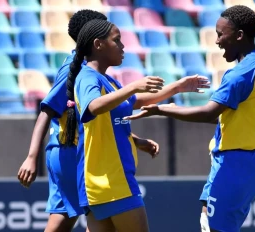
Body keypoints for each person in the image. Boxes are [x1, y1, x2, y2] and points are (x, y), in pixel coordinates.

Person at [125, 5, 255, 232]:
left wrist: (163, 110)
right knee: (207, 219)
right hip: (241, 161)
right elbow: (227, 117)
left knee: (215, 228)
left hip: (237, 163)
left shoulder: (240, 74)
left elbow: (209, 113)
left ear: (240, 35)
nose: (217, 41)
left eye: (221, 34)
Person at [17, 10, 160, 232]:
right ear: (96, 40)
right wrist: (31, 157)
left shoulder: (88, 69)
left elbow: (95, 120)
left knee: (69, 221)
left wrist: (135, 140)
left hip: (71, 150)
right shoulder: (77, 71)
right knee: (78, 218)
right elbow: (47, 111)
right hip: (71, 152)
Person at [63, 18, 210, 232]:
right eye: (117, 40)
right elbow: (93, 106)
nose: (123, 46)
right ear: (98, 44)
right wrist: (132, 87)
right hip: (112, 179)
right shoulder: (87, 77)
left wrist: (176, 88)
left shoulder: (108, 81)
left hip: (101, 180)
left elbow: (135, 101)